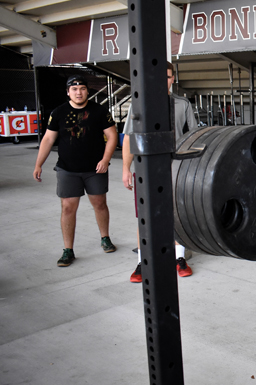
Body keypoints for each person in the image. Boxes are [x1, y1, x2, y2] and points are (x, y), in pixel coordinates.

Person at [122, 61, 198, 283]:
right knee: (144, 217)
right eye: (159, 76)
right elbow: (129, 138)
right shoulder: (139, 105)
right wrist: (126, 168)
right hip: (145, 171)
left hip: (175, 171)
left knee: (177, 214)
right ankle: (143, 262)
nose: (164, 80)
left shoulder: (182, 104)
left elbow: (192, 138)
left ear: (173, 78)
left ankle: (179, 258)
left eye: (167, 76)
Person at [33, 74, 119, 267]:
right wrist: (38, 164)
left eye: (82, 89)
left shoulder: (99, 111)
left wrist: (105, 160)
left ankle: (105, 238)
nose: (78, 92)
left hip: (95, 169)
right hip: (67, 169)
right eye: (74, 89)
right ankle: (68, 250)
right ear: (68, 92)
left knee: (99, 204)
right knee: (68, 208)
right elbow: (48, 139)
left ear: (87, 91)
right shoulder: (58, 112)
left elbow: (112, 136)